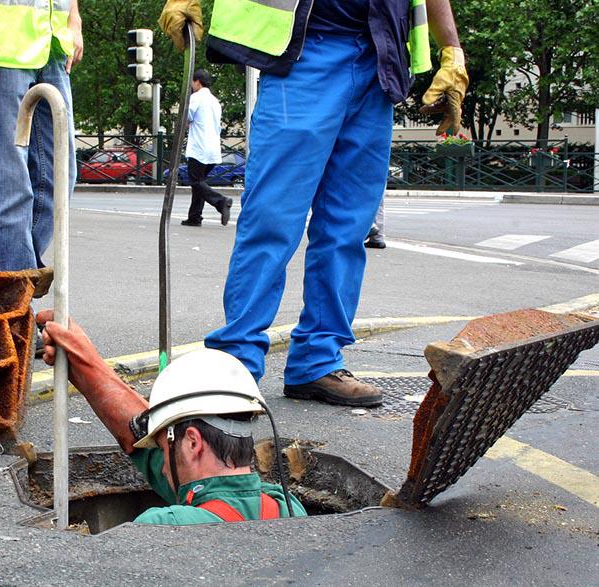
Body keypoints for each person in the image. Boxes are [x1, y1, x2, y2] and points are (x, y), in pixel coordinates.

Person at [159, 0, 467, 407]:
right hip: (306, 53)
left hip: (380, 60)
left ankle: (317, 361)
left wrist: (453, 50)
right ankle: (236, 361)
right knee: (272, 219)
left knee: (347, 229)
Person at [37, 310, 307, 524]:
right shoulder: (287, 509)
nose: (163, 469)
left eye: (164, 449)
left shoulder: (164, 525)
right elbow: (144, 440)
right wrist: (85, 364)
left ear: (193, 443)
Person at [0, 0, 84, 272]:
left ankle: (17, 279)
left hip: (54, 46)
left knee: (60, 176)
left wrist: (75, 18)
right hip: (1, 48)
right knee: (8, 184)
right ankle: (8, 298)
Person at [181, 69, 233, 227]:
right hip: (213, 149)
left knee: (195, 181)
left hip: (199, 148)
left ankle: (221, 202)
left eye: (192, 82)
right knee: (200, 182)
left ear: (197, 82)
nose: (191, 85)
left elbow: (186, 116)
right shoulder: (215, 101)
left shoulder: (196, 98)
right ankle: (195, 217)